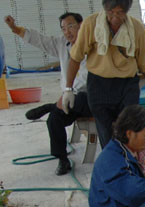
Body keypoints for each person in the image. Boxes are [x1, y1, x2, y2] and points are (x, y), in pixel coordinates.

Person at [64, 0, 145, 148]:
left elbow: (144, 61)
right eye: (110, 12)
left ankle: (132, 165)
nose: (114, 17)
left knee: (130, 130)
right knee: (106, 133)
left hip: (127, 84)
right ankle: (113, 166)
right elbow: (76, 57)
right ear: (105, 9)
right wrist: (68, 90)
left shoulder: (136, 27)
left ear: (126, 12)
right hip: (99, 85)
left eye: (119, 13)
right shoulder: (91, 24)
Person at [4, 12, 90, 176]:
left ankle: (50, 106)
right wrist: (15, 28)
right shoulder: (62, 43)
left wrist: (68, 91)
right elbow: (40, 40)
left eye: (71, 26)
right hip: (67, 99)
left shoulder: (92, 45)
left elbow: (87, 76)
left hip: (89, 99)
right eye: (63, 28)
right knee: (54, 120)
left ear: (81, 25)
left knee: (77, 99)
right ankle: (62, 159)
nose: (67, 31)